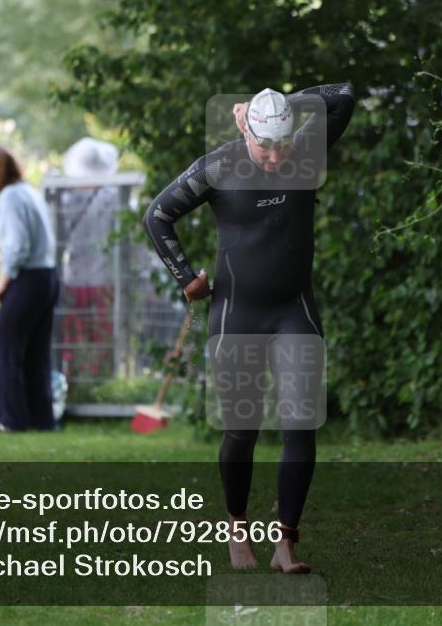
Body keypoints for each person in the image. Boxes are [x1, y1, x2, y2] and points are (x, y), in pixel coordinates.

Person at [144, 82, 355, 573]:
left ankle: (286, 544)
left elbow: (343, 96)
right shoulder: (220, 166)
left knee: (301, 424)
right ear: (246, 130)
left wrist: (286, 105)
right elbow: (158, 215)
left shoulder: (306, 152)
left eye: (284, 143)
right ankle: (237, 527)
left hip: (293, 311)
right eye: (266, 145)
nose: (277, 155)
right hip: (237, 315)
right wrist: (187, 277)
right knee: (242, 429)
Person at [0, 147, 58, 431]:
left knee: (3, 347)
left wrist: (5, 280)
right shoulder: (29, 191)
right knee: (36, 353)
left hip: (28, 277)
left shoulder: (10, 196)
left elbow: (18, 245)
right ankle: (42, 420)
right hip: (48, 276)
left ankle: (11, 420)